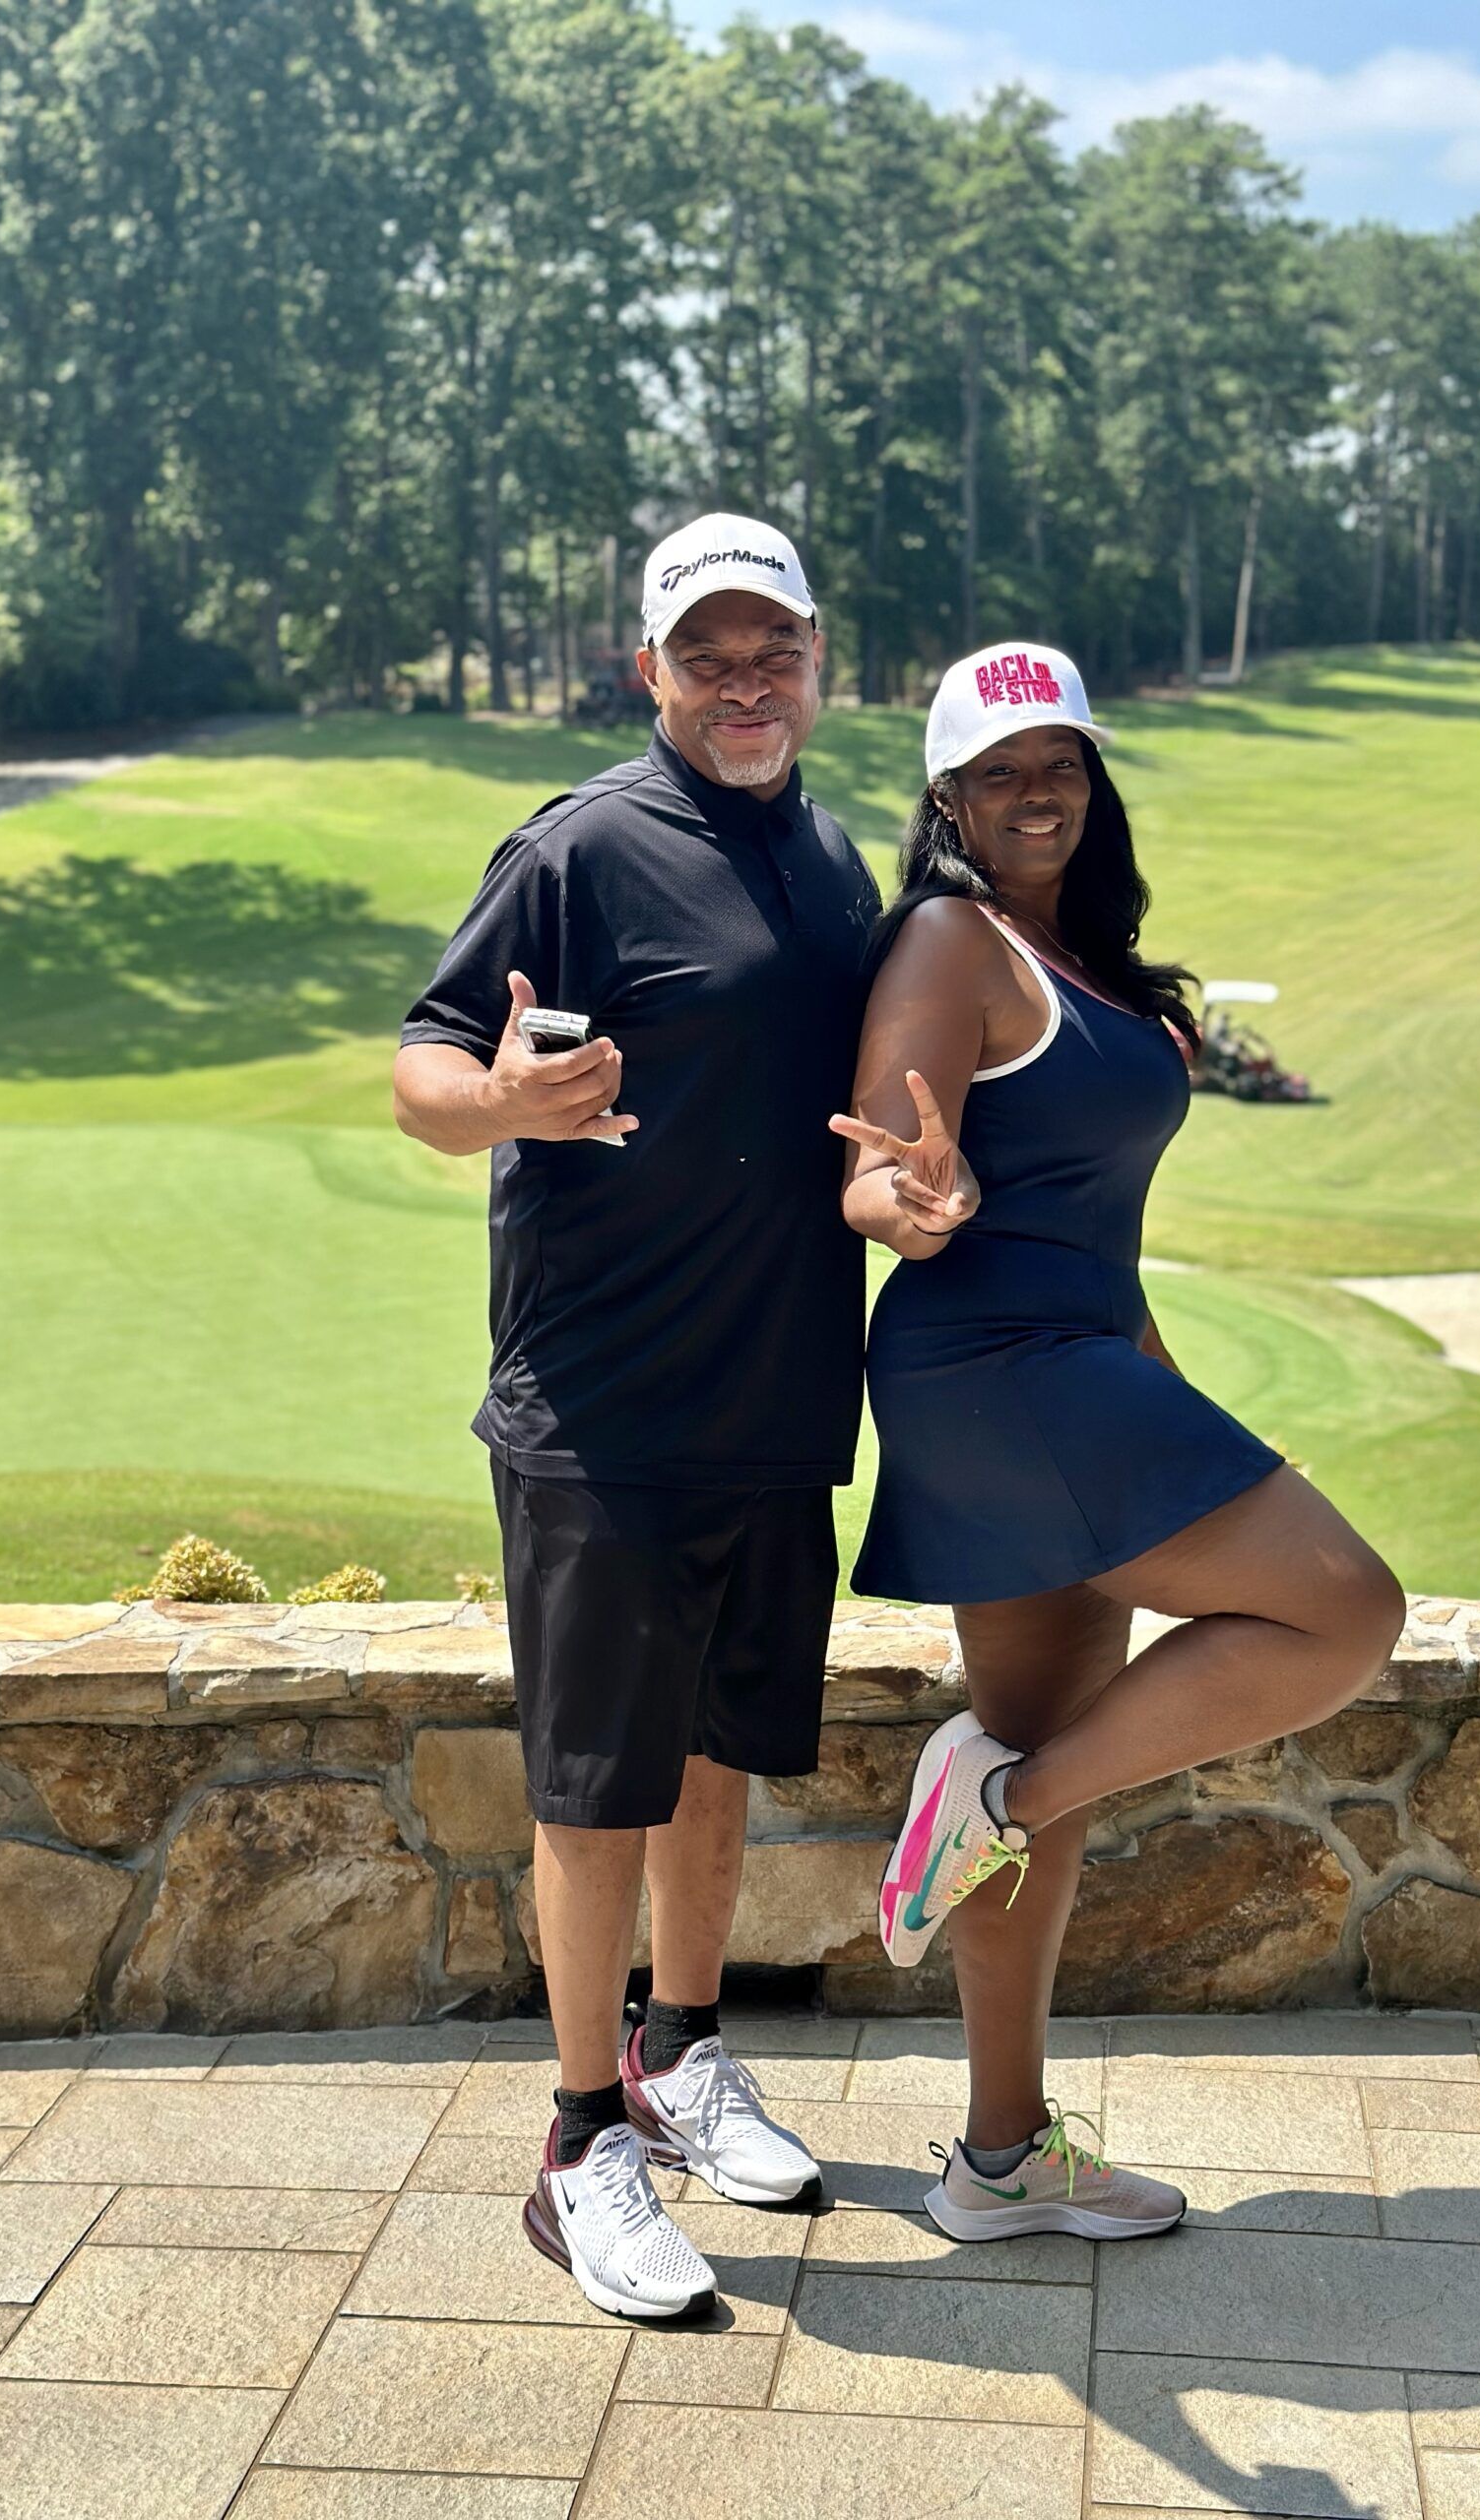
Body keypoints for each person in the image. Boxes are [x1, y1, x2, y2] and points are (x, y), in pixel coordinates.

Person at [830, 641, 1406, 2243]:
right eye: (1000, 772)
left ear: (1093, 780)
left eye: (1061, 763)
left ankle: (999, 2159)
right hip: (994, 1367)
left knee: (1056, 1758)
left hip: (1080, 1361)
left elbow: (1102, 1234)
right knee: (1348, 1610)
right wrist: (913, 1203)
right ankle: (995, 1804)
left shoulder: (1082, 960)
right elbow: (874, 1165)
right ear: (947, 800)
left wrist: (1177, 1399)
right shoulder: (950, 937)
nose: (1037, 792)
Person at [394, 515, 881, 2319]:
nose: (746, 685)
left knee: (715, 1758)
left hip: (775, 1392)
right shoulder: (582, 846)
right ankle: (578, 2141)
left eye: (774, 653)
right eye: (708, 657)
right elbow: (425, 1070)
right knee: (597, 1791)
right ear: (648, 672)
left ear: (816, 660)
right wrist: (503, 1105)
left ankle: (682, 2053)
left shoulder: (831, 857)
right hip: (602, 1407)